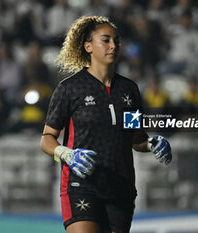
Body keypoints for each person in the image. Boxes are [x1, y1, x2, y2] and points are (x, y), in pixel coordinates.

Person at [40, 16, 172, 233]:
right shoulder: (70, 89)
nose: (113, 45)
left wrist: (152, 144)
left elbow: (135, 138)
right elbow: (46, 139)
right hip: (81, 186)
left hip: (120, 188)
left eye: (116, 40)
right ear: (88, 46)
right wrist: (66, 154)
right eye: (106, 40)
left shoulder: (129, 90)